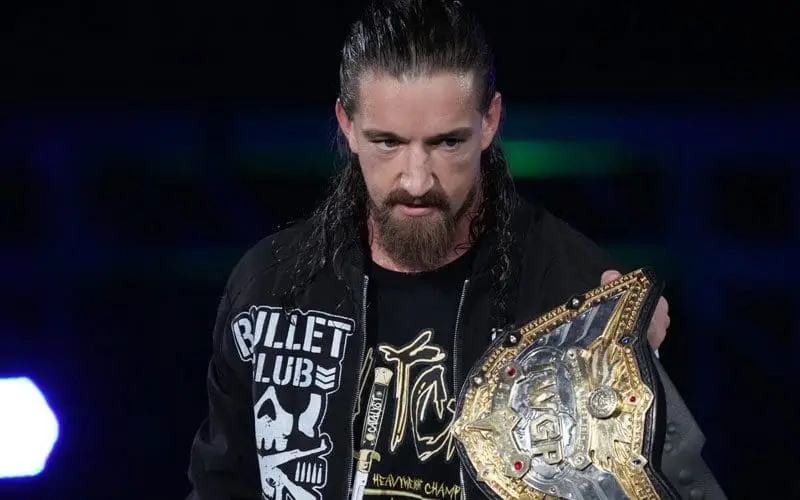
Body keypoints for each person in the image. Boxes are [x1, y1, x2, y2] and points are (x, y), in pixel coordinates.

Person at [186, 0, 670, 499]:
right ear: (347, 125)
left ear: (490, 121)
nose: (417, 181)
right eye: (387, 142)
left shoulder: (574, 297)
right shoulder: (270, 288)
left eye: (447, 143)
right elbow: (219, 486)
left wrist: (633, 359)